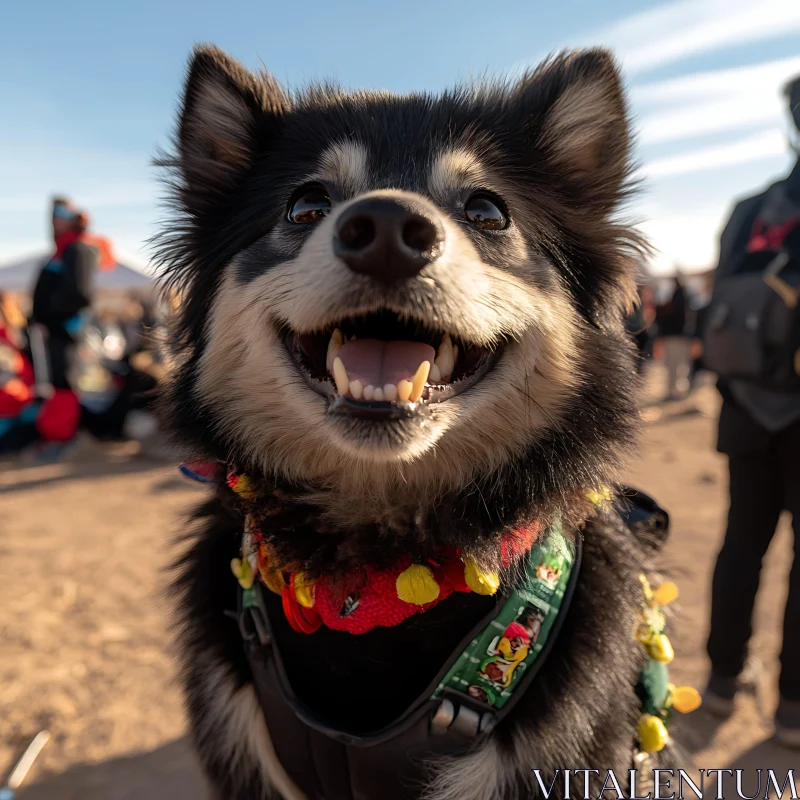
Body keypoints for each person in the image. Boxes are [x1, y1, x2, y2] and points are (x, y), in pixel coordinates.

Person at [704, 74, 800, 749]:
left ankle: (719, 678)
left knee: (742, 543)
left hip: (744, 404)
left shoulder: (751, 209)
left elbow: (718, 310)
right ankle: (793, 705)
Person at [30, 198, 99, 391]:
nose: (55, 221)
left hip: (65, 333)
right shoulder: (62, 251)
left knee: (65, 384)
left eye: (61, 215)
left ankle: (66, 420)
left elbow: (81, 293)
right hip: (55, 333)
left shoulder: (78, 249)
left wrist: (52, 320)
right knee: (54, 383)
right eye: (53, 215)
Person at [657, 274, 690, 400]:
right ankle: (676, 390)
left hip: (674, 336)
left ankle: (674, 390)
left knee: (673, 364)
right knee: (678, 364)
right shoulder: (684, 297)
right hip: (679, 336)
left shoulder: (676, 298)